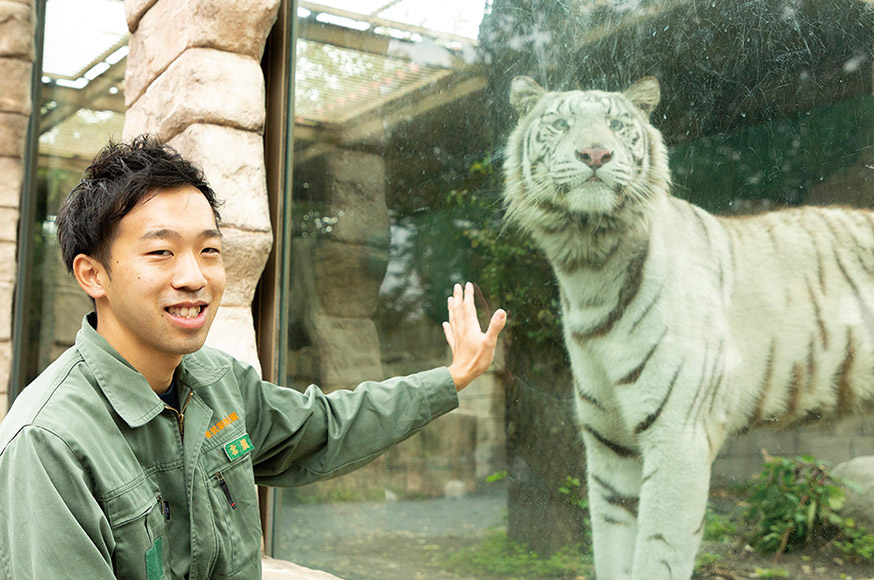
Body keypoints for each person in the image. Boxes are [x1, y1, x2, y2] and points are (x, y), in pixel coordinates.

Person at [0, 135, 507, 579]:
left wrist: (452, 378)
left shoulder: (219, 382)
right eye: (161, 252)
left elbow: (326, 428)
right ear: (93, 275)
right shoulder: (49, 444)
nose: (194, 277)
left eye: (209, 250)